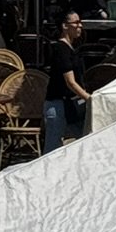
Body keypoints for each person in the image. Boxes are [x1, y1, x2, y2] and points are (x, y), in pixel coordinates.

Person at [42, 12, 91, 153]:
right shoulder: (60, 49)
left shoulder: (71, 49)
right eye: (76, 22)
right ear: (65, 26)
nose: (80, 26)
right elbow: (70, 82)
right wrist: (89, 98)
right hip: (58, 106)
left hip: (71, 106)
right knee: (52, 150)